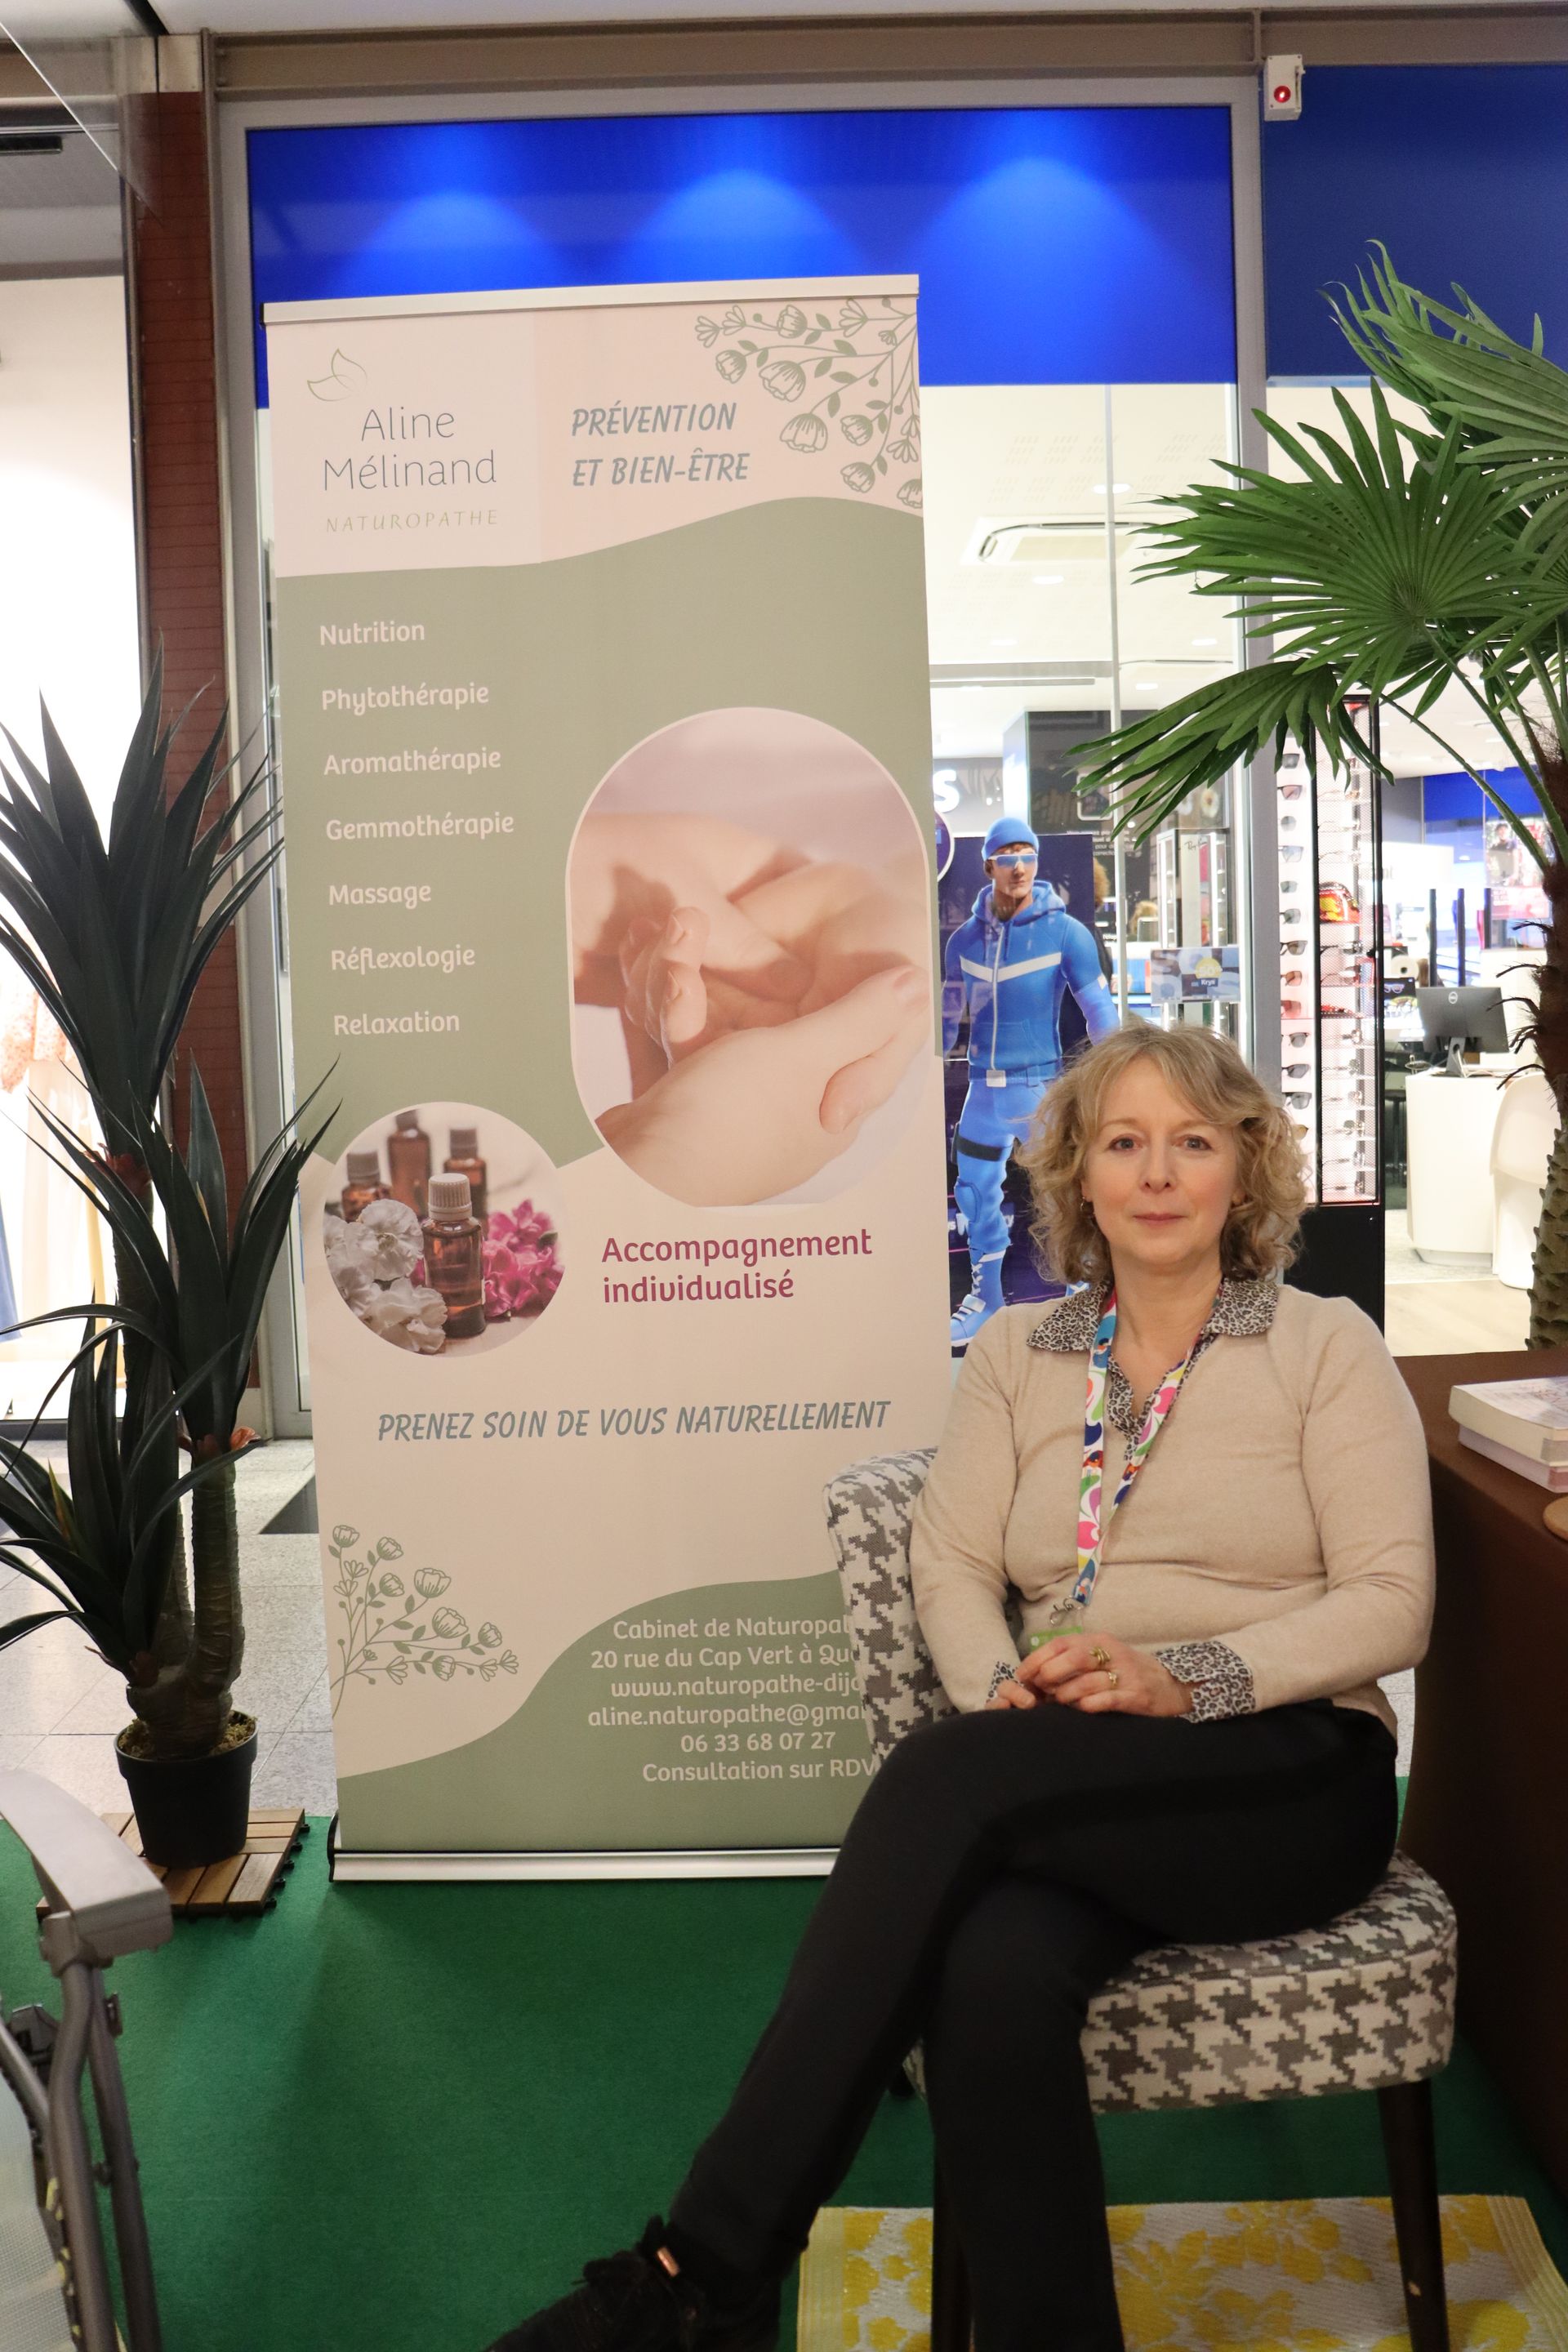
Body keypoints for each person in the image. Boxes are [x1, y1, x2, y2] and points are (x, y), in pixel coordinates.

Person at [483, 1022, 1433, 2352]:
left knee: (939, 1780)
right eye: (1123, 1142)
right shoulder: (1021, 1352)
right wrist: (1004, 1693)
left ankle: (699, 2277)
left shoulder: (1325, 1346)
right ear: (1080, 1177)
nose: (1157, 1173)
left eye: (1193, 1142)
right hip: (1076, 1762)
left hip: (1287, 1772)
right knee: (992, 1970)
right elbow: (950, 1558)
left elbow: (1394, 1606)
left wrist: (1185, 1674)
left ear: (1245, 1169)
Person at [943, 817, 1118, 1350]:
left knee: (1066, 1192)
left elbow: (1099, 1009)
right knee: (974, 1191)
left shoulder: (1065, 932)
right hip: (982, 1091)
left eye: (1027, 853)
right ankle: (987, 1300)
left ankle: (1085, 1295)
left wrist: (1110, 1079)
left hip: (1037, 1088)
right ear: (988, 864)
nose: (1019, 865)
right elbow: (947, 1021)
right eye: (1007, 854)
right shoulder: (965, 941)